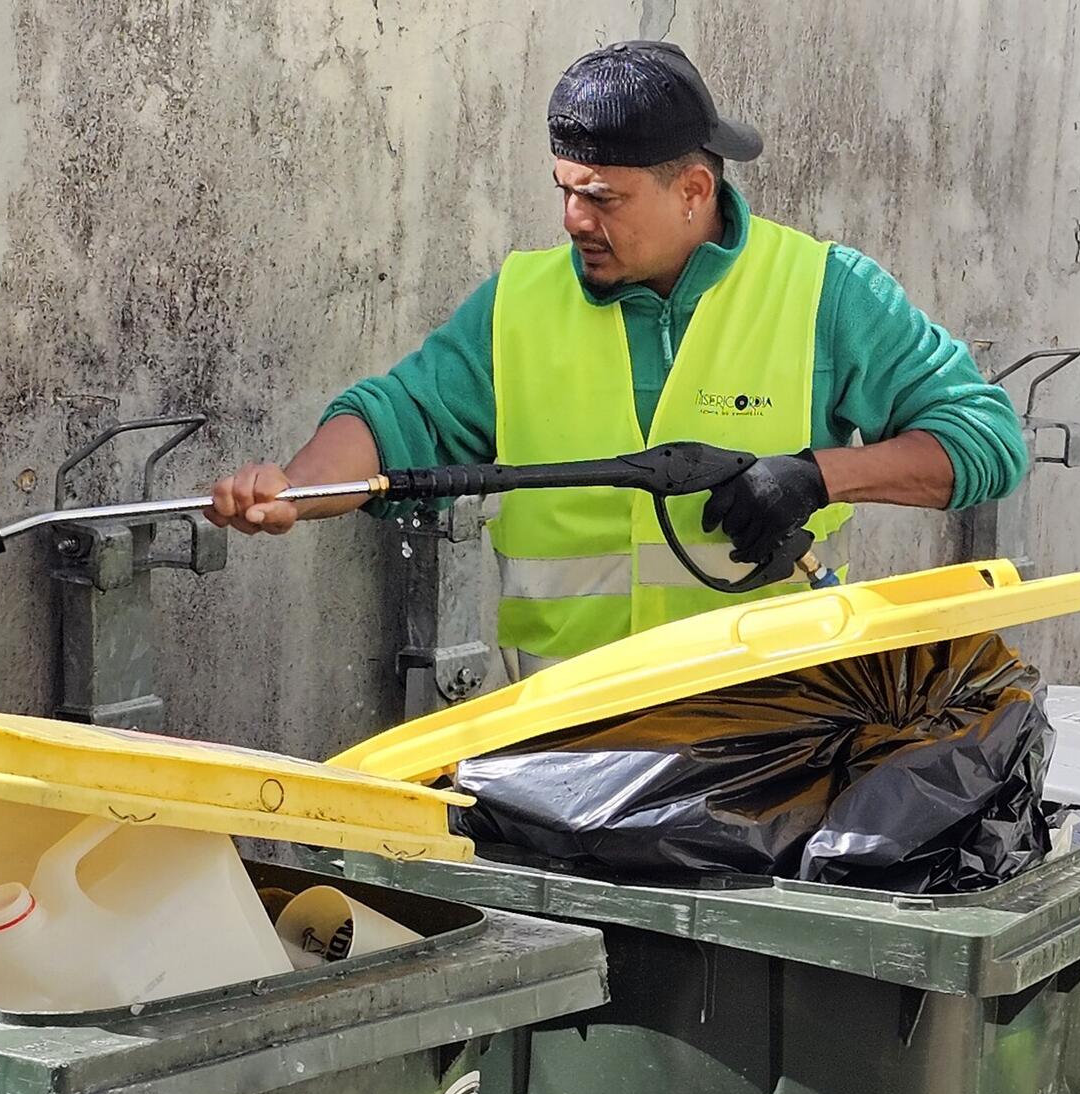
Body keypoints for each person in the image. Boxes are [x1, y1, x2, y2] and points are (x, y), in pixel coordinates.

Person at [206, 39, 1027, 672]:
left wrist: (817, 475)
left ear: (694, 191)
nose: (572, 218)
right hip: (561, 758)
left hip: (769, 753)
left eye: (601, 197)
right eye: (565, 188)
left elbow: (985, 439)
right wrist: (297, 488)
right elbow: (394, 422)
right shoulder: (519, 305)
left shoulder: (824, 291)